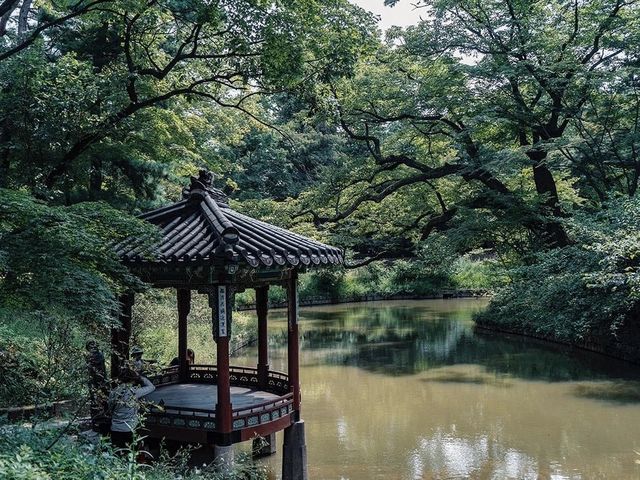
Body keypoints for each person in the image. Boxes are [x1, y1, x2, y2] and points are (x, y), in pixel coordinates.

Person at [108, 366, 156, 449]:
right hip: (129, 428)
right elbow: (152, 387)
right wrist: (139, 376)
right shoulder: (134, 392)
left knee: (116, 454)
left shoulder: (113, 392)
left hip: (115, 429)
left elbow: (110, 408)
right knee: (130, 455)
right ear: (132, 379)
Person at [85, 340, 109, 433]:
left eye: (93, 346)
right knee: (96, 403)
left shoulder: (97, 355)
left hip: (100, 383)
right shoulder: (91, 356)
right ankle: (97, 424)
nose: (92, 349)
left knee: (101, 403)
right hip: (95, 383)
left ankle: (101, 425)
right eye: (90, 347)